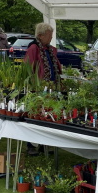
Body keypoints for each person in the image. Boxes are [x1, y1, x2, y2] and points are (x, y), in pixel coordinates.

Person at [24, 23, 63, 156]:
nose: (51, 38)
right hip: (38, 89)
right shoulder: (34, 48)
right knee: (35, 115)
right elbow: (28, 68)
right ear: (40, 35)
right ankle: (30, 145)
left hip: (51, 88)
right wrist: (35, 85)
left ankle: (43, 143)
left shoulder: (50, 49)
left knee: (47, 115)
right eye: (49, 35)